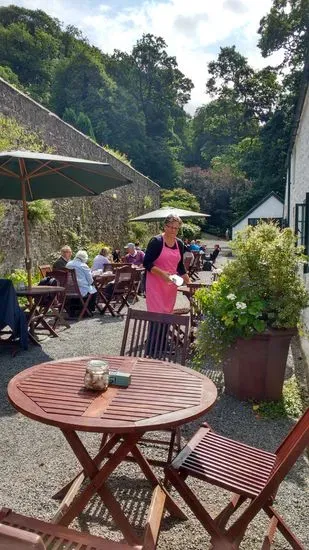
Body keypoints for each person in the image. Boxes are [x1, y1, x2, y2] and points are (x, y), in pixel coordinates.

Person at [143, 214, 190, 314]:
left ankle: (165, 330)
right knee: (156, 316)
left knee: (167, 315)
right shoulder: (156, 241)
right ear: (165, 226)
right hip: (155, 285)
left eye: (176, 228)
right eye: (171, 227)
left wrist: (190, 283)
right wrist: (162, 273)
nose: (174, 230)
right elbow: (146, 263)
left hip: (170, 286)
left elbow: (180, 266)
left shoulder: (179, 243)